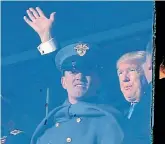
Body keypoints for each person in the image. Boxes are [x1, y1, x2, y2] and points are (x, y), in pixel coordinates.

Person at [24, 7, 125, 144]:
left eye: (87, 71)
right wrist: (46, 37)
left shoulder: (108, 122)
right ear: (63, 82)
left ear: (98, 80)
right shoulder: (48, 127)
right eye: (73, 71)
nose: (79, 76)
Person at [116, 51, 152, 144]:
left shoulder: (152, 109)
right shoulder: (117, 113)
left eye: (131, 70)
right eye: (120, 73)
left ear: (146, 74)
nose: (125, 78)